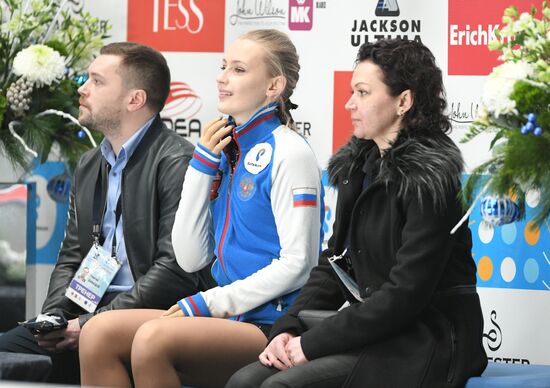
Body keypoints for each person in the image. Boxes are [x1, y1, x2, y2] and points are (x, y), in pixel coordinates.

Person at [227, 38, 488, 388]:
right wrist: (288, 328)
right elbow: (335, 264)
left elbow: (405, 296)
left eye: (363, 93)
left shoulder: (430, 177)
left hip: (430, 338)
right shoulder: (360, 166)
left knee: (280, 386)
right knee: (244, 380)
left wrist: (313, 343)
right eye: (352, 91)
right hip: (378, 331)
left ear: (404, 101)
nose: (349, 103)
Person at [78, 29, 324, 388]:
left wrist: (211, 302)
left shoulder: (290, 152)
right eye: (224, 66)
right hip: (224, 314)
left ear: (274, 87)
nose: (222, 78)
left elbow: (298, 264)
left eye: (238, 70)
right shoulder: (224, 149)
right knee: (98, 332)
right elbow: (191, 258)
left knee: (152, 339)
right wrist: (201, 166)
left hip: (272, 323)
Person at [0, 42, 213, 384]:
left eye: (97, 82)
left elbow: (176, 271)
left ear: (135, 100)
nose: (82, 88)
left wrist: (89, 325)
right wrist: (55, 319)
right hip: (87, 313)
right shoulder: (89, 163)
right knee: (6, 353)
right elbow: (72, 255)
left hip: (151, 318)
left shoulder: (177, 161)